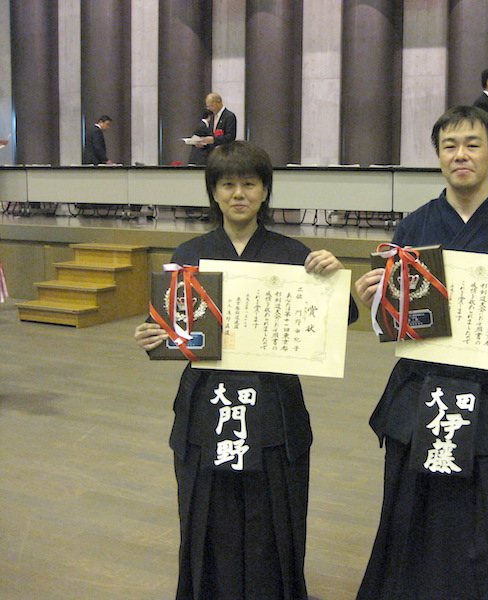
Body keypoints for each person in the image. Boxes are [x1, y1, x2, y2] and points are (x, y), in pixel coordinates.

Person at [353, 106, 488, 600]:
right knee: (411, 520)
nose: (461, 155)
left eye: (473, 144)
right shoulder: (414, 227)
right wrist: (373, 300)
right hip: (423, 394)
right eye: (449, 146)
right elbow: (393, 322)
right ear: (438, 156)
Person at [133, 141, 358, 600]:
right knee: (207, 511)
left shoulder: (293, 253)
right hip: (207, 400)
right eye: (228, 184)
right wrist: (152, 336)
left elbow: (347, 317)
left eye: (250, 184)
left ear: (265, 190)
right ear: (213, 192)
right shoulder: (190, 253)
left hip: (272, 402)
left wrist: (333, 276)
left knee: (272, 512)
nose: (239, 194)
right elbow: (173, 329)